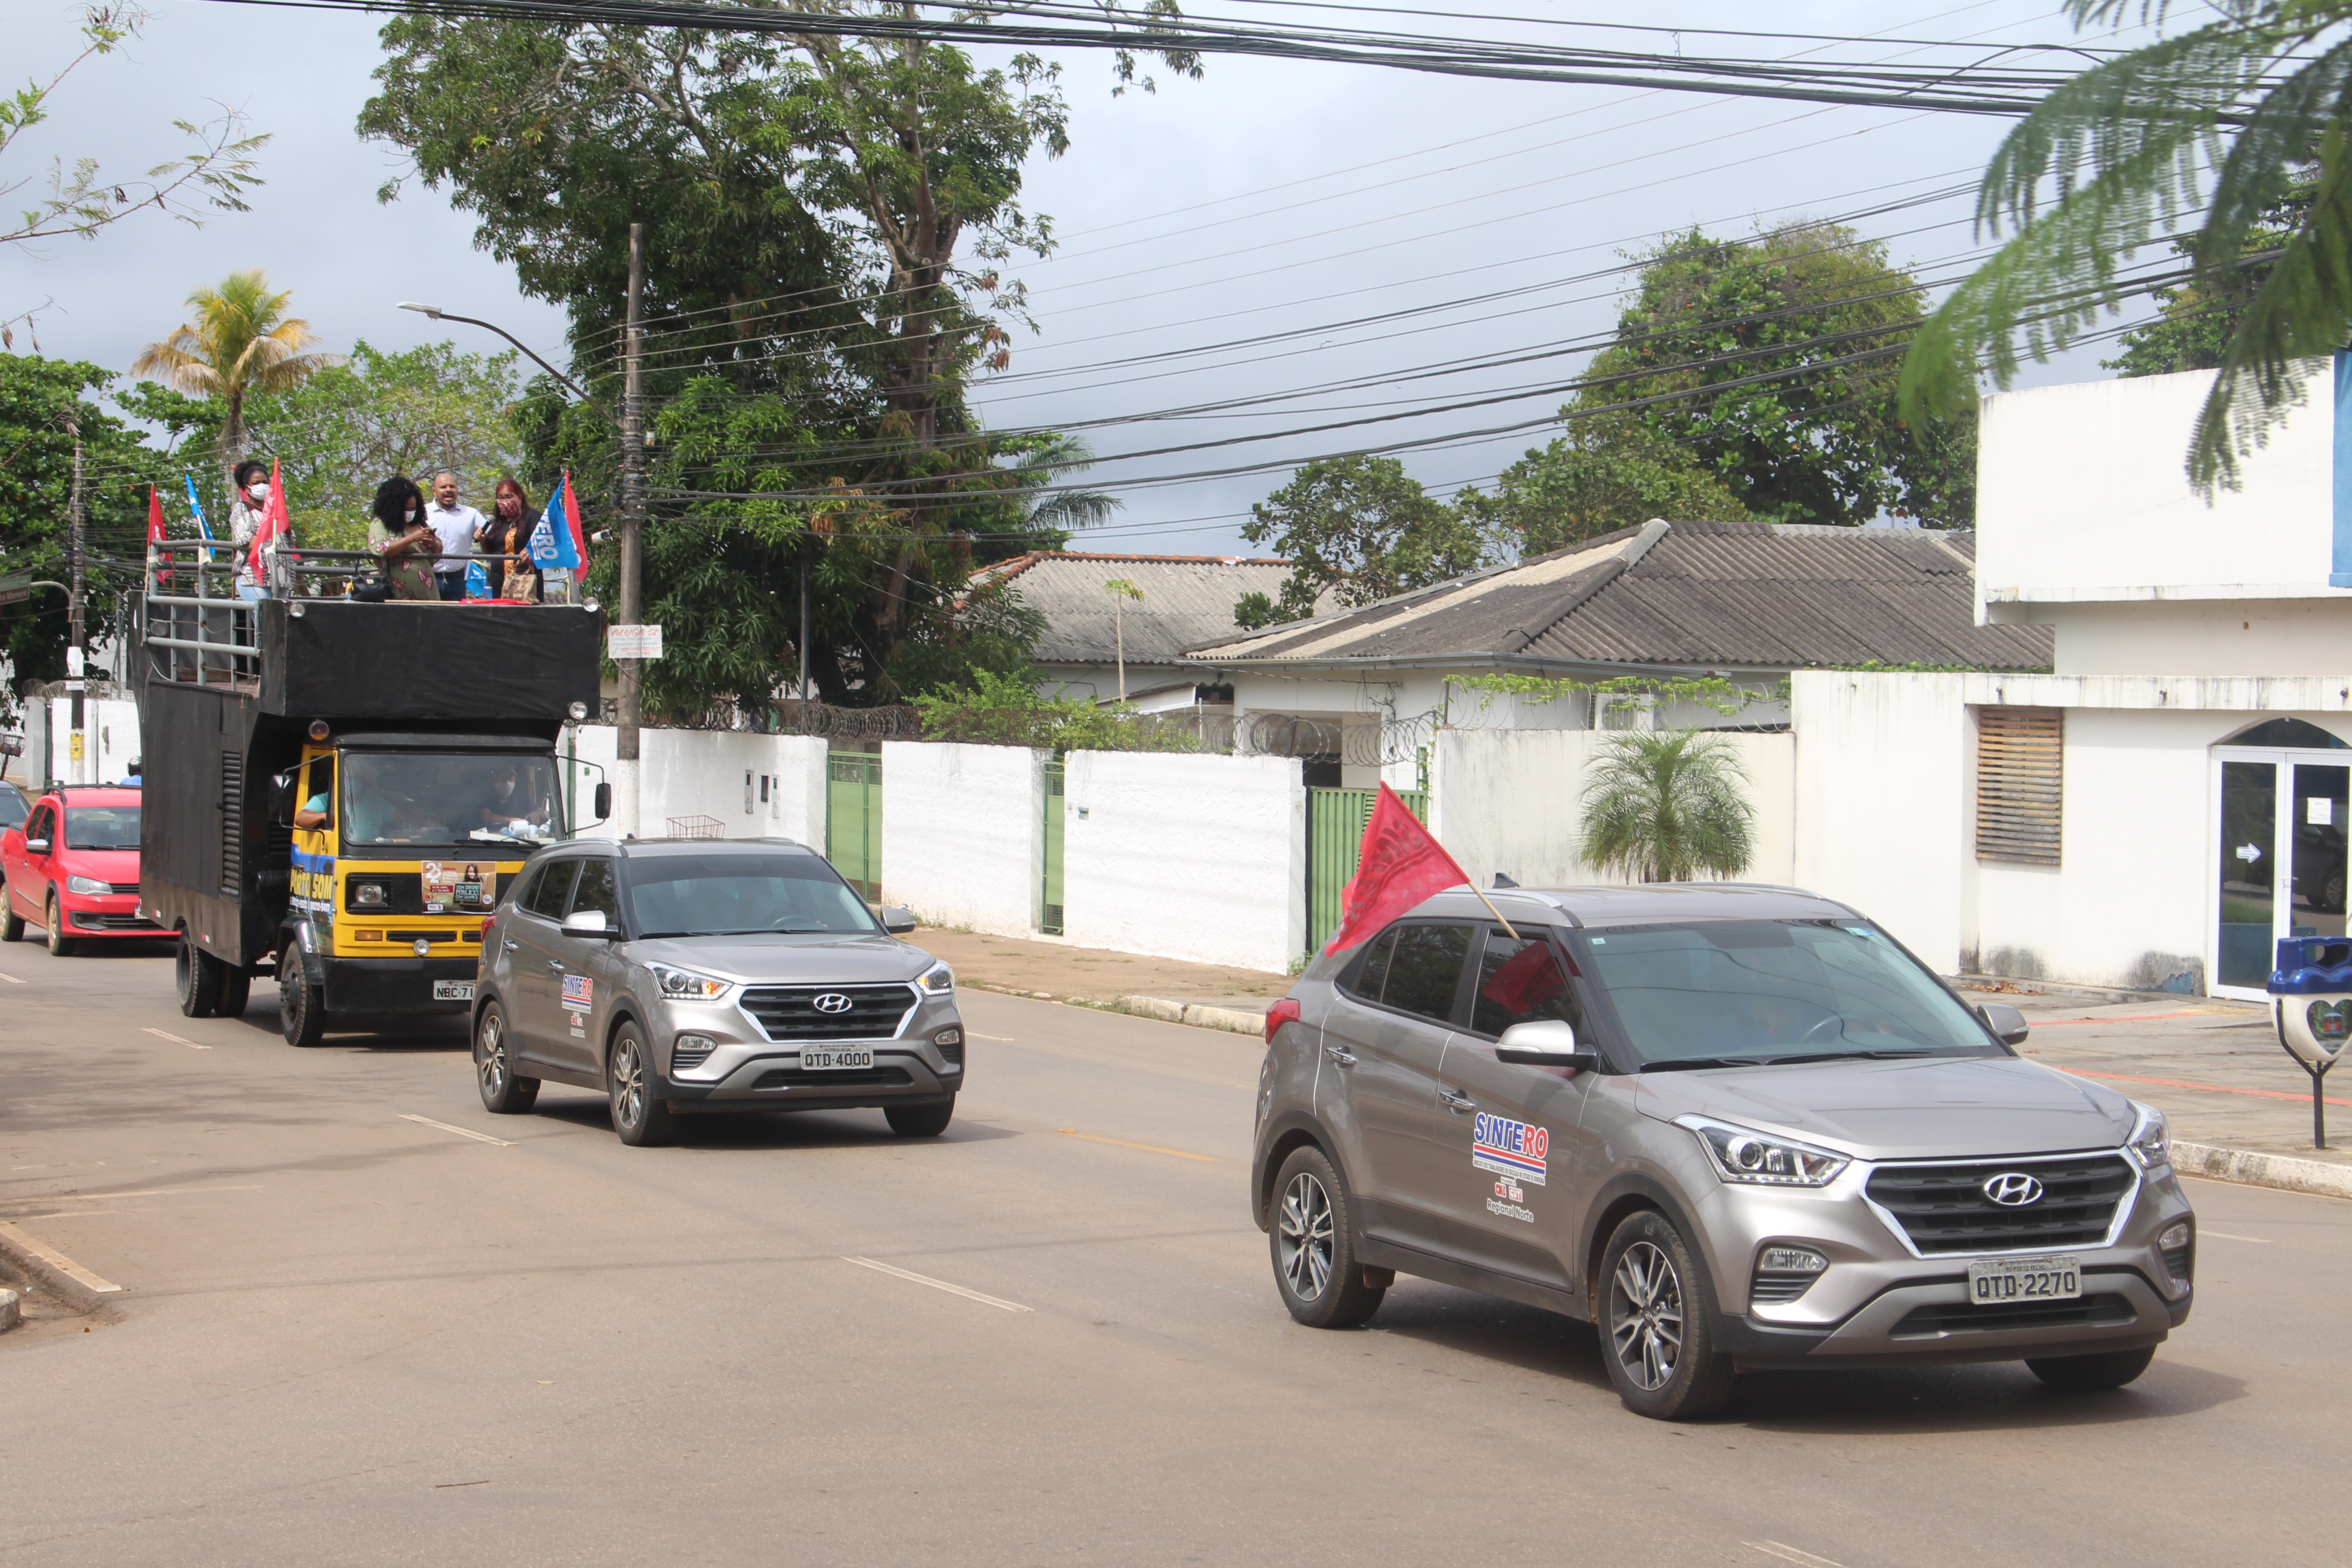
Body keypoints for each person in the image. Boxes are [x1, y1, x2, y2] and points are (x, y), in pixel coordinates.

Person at [367, 476, 439, 601]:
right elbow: (382, 550)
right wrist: (412, 539)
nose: (411, 513)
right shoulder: (380, 524)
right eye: (406, 510)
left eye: (413, 509)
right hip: (396, 592)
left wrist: (432, 543)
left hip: (427, 591)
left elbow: (437, 551)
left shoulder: (420, 525)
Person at [473, 478, 540, 603]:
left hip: (524, 583)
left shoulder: (533, 517)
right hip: (499, 582)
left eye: (509, 497)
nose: (505, 502)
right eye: (500, 498)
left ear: (520, 496)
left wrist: (532, 550)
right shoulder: (497, 523)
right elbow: (489, 554)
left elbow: (542, 543)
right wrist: (482, 540)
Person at [424, 471, 484, 602]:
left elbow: (490, 532)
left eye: (452, 487)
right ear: (434, 491)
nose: (448, 490)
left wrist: (482, 533)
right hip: (428, 577)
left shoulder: (471, 514)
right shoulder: (423, 513)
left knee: (455, 619)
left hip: (457, 579)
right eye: (443, 487)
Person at [225, 460, 271, 601]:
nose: (262, 486)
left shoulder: (274, 510)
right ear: (247, 487)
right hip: (252, 577)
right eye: (256, 483)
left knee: (281, 622)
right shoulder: (242, 509)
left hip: (279, 578)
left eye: (265, 482)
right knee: (265, 620)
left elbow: (290, 540)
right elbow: (244, 538)